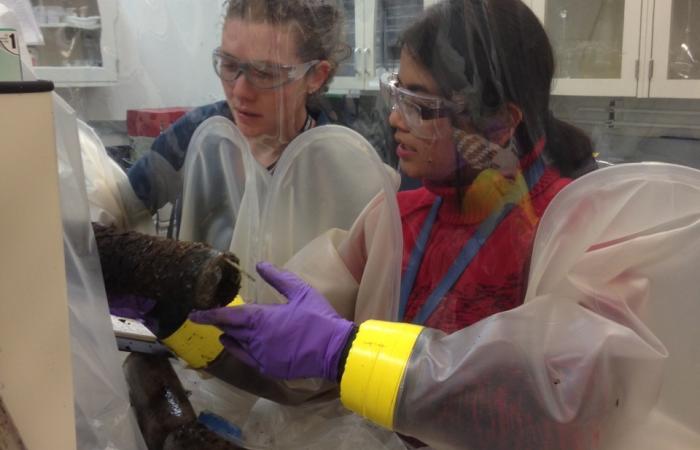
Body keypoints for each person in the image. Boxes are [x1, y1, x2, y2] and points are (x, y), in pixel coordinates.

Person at [184, 0, 674, 448]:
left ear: (500, 123)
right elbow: (290, 361)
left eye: (419, 105)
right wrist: (182, 323)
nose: (396, 119)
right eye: (396, 95)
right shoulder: (394, 219)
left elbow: (561, 409)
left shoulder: (585, 233)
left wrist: (347, 350)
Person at [124, 0, 349, 236]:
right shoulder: (195, 134)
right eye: (229, 65)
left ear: (315, 76)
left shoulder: (335, 170)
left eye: (264, 73)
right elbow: (122, 205)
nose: (240, 91)